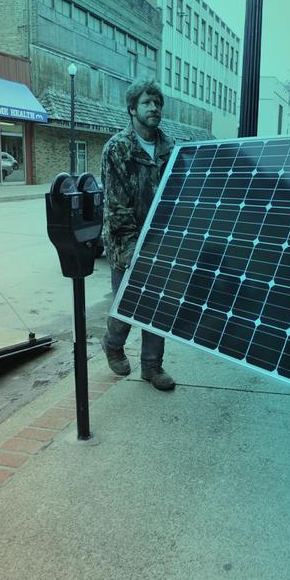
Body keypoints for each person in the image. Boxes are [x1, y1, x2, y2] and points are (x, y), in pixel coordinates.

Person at [101, 78, 177, 391]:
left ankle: (152, 366)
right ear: (132, 109)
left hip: (161, 243)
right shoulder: (118, 149)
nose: (153, 108)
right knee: (128, 304)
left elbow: (178, 197)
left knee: (157, 306)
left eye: (157, 102)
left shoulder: (170, 148)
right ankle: (113, 343)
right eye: (146, 103)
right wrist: (133, 250)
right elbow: (116, 207)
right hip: (126, 243)